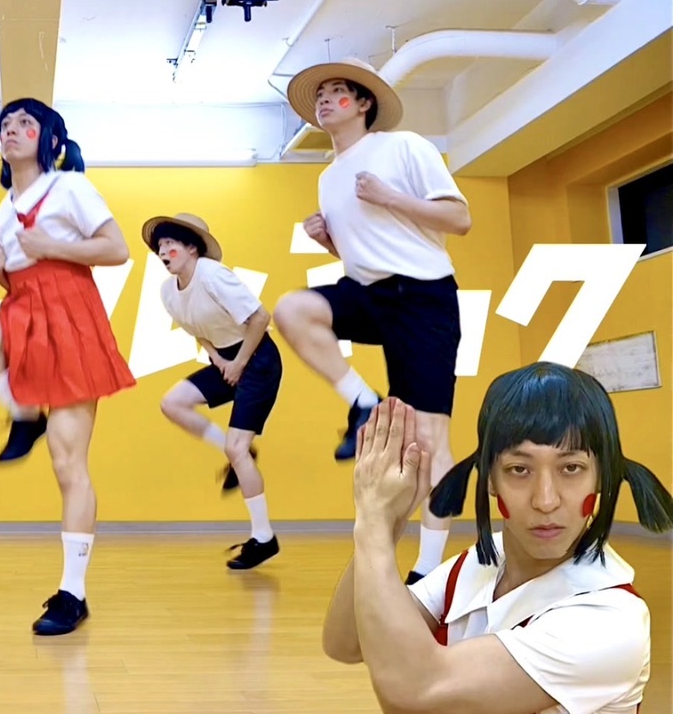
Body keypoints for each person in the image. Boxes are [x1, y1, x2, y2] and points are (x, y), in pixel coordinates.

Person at [322, 363, 673, 713]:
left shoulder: (611, 622)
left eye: (571, 468)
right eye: (519, 469)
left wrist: (373, 522)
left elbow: (416, 692)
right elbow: (347, 642)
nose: (546, 500)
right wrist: (387, 523)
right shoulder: (479, 562)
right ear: (490, 479)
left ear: (601, 477)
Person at [276, 57, 473, 583]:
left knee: (428, 440)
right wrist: (329, 240)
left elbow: (460, 219)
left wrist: (390, 197)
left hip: (423, 295)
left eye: (337, 91)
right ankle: (363, 403)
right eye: (320, 94)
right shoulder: (328, 177)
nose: (324, 99)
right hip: (366, 292)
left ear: (363, 103)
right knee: (292, 309)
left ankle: (429, 569)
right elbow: (363, 250)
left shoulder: (403, 146)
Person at [0, 97, 135, 635]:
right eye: (5, 124)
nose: (12, 129)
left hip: (70, 314)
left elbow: (117, 249)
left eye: (26, 123)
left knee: (68, 464)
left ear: (50, 139)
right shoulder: (4, 207)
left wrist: (50, 245)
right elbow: (17, 274)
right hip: (23, 308)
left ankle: (73, 593)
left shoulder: (70, 186)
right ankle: (24, 413)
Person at [145, 212, 283, 570]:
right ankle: (239, 451)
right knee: (173, 403)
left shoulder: (213, 275)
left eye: (171, 244)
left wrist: (239, 363)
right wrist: (218, 359)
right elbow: (196, 328)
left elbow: (260, 318)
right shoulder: (167, 291)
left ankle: (264, 538)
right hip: (227, 358)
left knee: (236, 449)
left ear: (192, 249)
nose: (163, 251)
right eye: (160, 246)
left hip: (258, 357)